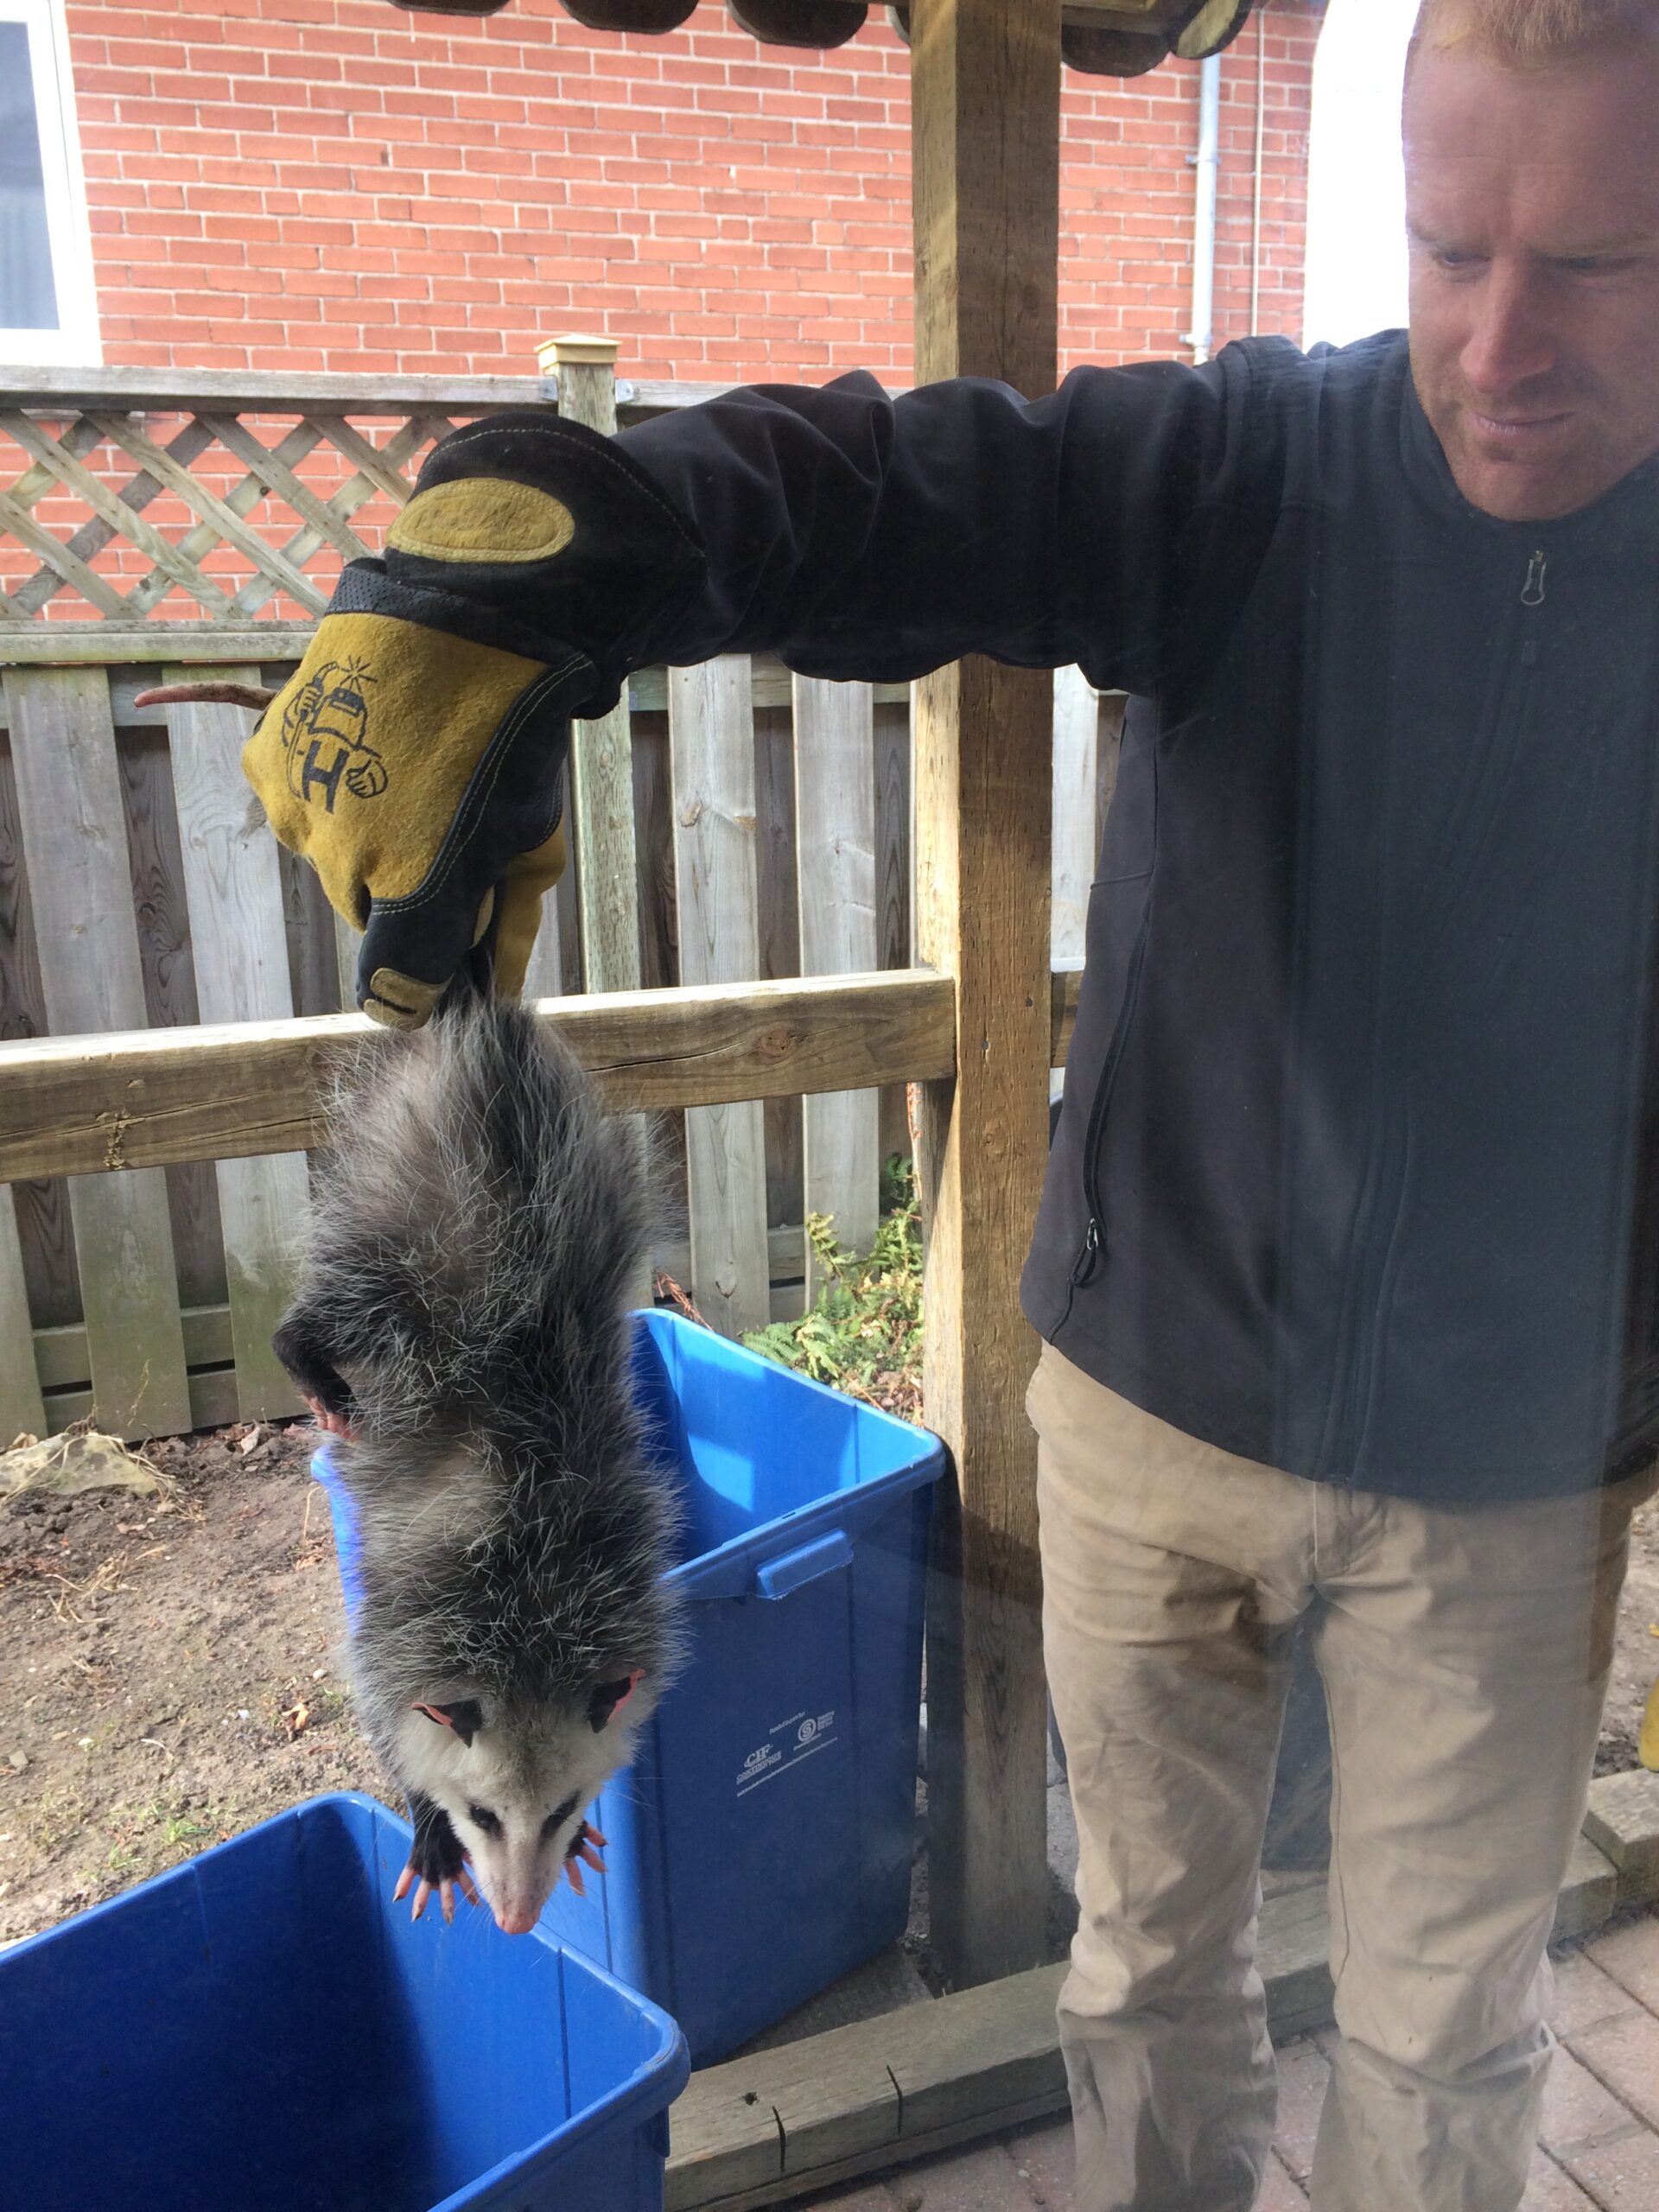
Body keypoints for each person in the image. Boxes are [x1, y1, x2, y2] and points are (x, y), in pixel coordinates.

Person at [219, 3, 1659, 2204]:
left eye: (1594, 263)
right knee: (1147, 1979)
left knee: (1446, 2043)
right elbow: (894, 487)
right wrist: (569, 538)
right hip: (1155, 1415)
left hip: (1509, 1486)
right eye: (1451, 247)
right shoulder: (1249, 470)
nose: (1499, 338)